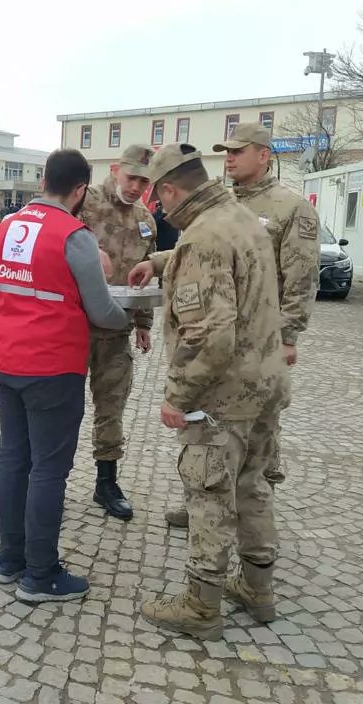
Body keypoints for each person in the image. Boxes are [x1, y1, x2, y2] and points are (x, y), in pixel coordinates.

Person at [128, 144, 289, 639]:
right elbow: (221, 258)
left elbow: (209, 337)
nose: (157, 207)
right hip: (266, 382)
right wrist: (158, 261)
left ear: (172, 189)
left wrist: (178, 396)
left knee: (209, 493)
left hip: (223, 396)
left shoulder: (202, 238)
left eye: (159, 197)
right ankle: (258, 590)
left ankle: (202, 606)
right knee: (253, 486)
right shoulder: (240, 216)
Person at [0, 148, 130, 604]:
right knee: (49, 470)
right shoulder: (75, 235)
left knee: (14, 458)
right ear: (80, 190)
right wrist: (130, 315)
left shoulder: (7, 226)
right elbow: (101, 310)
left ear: (43, 180)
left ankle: (9, 561)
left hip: (6, 359)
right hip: (52, 367)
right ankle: (41, 575)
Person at [164, 123, 319, 529]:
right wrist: (161, 261)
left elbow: (301, 275)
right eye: (226, 151)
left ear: (264, 155)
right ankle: (204, 501)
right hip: (227, 340)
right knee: (212, 430)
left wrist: (289, 335)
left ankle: (250, 511)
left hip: (260, 338)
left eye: (239, 150)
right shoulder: (225, 202)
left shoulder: (291, 207)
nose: (229, 158)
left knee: (257, 435)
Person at [77, 144, 157, 520]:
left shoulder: (146, 219)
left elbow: (143, 277)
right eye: (132, 177)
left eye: (145, 180)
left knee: (112, 408)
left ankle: (106, 482)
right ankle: (50, 479)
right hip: (73, 328)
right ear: (114, 169)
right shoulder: (84, 204)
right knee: (62, 408)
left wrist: (142, 323)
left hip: (116, 332)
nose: (138, 186)